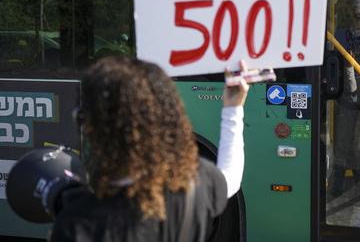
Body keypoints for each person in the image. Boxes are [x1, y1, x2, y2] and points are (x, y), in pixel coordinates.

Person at [50, 56, 249, 242]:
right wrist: (233, 107)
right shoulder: (196, 186)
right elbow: (231, 177)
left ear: (97, 128)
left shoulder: (78, 225)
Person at [330, 0, 360, 200]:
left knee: (349, 144)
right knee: (345, 143)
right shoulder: (339, 35)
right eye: (357, 6)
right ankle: (349, 182)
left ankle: (348, 182)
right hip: (344, 95)